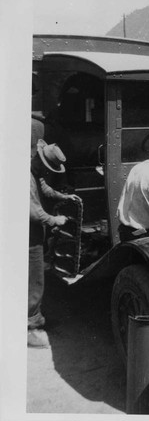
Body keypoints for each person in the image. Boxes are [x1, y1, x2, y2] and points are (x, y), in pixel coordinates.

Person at [29, 139, 81, 348]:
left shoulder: (34, 171)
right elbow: (34, 212)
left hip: (33, 232)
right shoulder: (25, 177)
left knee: (37, 277)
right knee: (35, 279)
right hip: (29, 234)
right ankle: (30, 327)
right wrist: (55, 220)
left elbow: (46, 189)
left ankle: (36, 318)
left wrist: (65, 197)